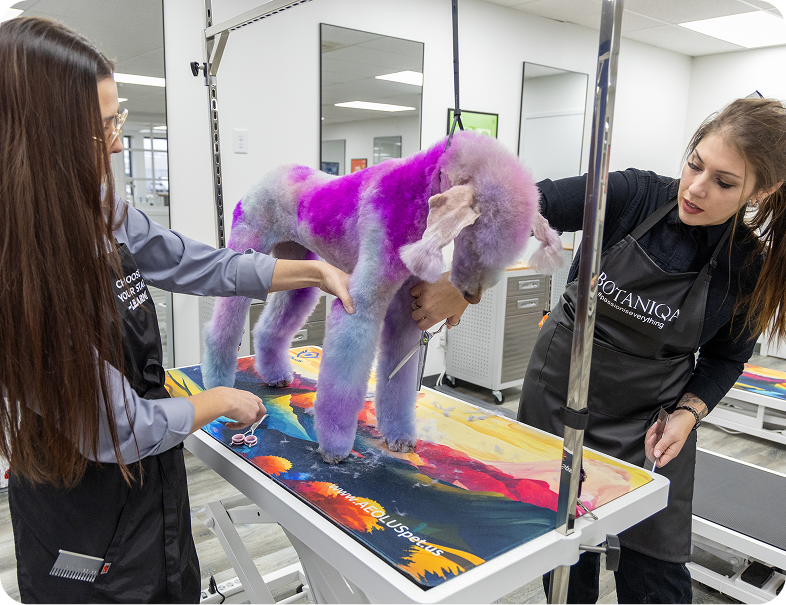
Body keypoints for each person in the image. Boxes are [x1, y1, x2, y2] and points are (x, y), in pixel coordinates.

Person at [0, 17, 354, 605]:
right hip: (84, 512)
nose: (117, 142)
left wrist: (314, 269)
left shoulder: (100, 216)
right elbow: (118, 429)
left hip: (148, 492)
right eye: (102, 128)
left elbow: (207, 266)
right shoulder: (19, 272)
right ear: (42, 138)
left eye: (118, 118)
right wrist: (218, 401)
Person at [410, 96, 786, 604]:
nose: (696, 188)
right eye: (695, 164)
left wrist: (687, 415)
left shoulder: (747, 267)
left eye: (724, 182)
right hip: (559, 394)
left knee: (658, 575)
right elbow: (529, 203)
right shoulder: (632, 196)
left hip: (651, 423)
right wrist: (467, 277)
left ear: (762, 191)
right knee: (564, 555)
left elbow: (726, 357)